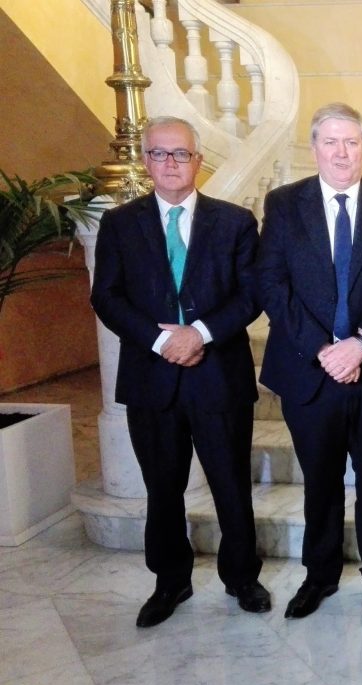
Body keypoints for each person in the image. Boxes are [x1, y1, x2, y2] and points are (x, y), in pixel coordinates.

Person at [91, 116, 268, 627]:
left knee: (231, 485)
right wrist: (162, 339)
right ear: (146, 161)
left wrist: (200, 334)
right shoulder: (119, 224)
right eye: (160, 154)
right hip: (152, 379)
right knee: (162, 489)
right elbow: (107, 297)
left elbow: (251, 295)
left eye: (181, 154)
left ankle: (242, 577)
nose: (171, 163)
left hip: (219, 378)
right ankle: (171, 581)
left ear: (198, 161)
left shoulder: (235, 222)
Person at [257, 103, 362, 620]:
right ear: (314, 148)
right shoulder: (284, 204)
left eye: (351, 142)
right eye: (330, 142)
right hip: (309, 372)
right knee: (320, 482)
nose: (341, 152)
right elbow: (272, 283)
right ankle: (320, 576)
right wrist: (324, 349)